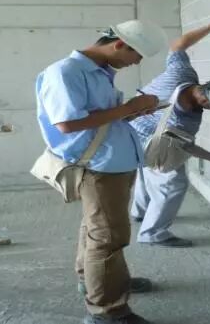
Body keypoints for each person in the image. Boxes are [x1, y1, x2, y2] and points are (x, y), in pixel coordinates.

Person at [35, 20, 167, 324]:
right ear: (119, 44)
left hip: (111, 164)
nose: (136, 62)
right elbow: (66, 124)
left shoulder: (98, 72)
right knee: (108, 238)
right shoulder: (65, 72)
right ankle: (107, 310)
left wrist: (134, 109)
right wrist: (130, 107)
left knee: (97, 230)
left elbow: (100, 119)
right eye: (137, 55)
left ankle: (99, 281)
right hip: (98, 168)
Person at [130, 14, 210, 248]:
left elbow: (178, 45)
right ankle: (152, 233)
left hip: (129, 131)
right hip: (149, 142)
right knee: (172, 182)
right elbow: (185, 147)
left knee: (147, 171)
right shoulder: (183, 120)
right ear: (207, 100)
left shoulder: (182, 74)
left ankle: (140, 211)